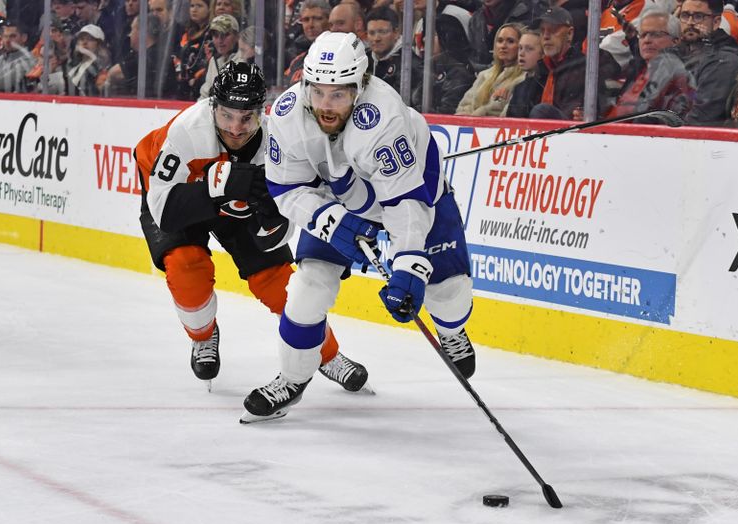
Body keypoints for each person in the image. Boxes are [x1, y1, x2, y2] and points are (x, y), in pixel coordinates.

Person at [245, 31, 476, 423]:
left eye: (338, 94)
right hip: (339, 195)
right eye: (317, 92)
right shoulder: (286, 115)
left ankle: (452, 331)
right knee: (307, 289)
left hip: (417, 191)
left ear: (361, 85)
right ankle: (292, 377)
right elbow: (286, 188)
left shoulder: (383, 118)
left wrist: (408, 267)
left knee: (448, 294)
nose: (325, 105)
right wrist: (327, 220)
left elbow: (405, 203)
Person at [135, 61, 370, 394]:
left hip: (234, 200)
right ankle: (203, 336)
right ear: (212, 107)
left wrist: (273, 216)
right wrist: (218, 186)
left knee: (277, 282)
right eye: (227, 115)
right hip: (176, 193)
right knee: (186, 267)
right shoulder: (187, 131)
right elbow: (166, 214)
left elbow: (287, 225)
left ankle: (325, 354)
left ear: (262, 112)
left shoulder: (278, 142)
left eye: (247, 117)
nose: (235, 128)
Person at [606, 8, 695, 120]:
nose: (647, 40)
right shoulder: (639, 68)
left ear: (676, 41)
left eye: (656, 34)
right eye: (643, 35)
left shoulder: (675, 72)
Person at [675, 0, 738, 126]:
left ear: (716, 22)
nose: (690, 23)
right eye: (685, 16)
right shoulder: (678, 51)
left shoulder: (724, 61)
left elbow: (700, 120)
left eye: (698, 17)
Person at [455, 22, 526, 117]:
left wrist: (479, 115)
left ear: (521, 46)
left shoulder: (523, 79)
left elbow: (507, 116)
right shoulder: (484, 75)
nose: (503, 46)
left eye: (510, 41)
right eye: (500, 41)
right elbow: (464, 106)